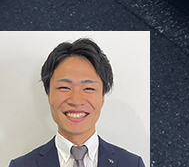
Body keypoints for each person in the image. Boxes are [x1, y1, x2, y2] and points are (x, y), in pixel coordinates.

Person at [8, 39, 145, 167]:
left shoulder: (132, 164)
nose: (76, 101)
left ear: (102, 97)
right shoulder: (21, 165)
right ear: (48, 94)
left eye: (88, 88)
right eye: (64, 87)